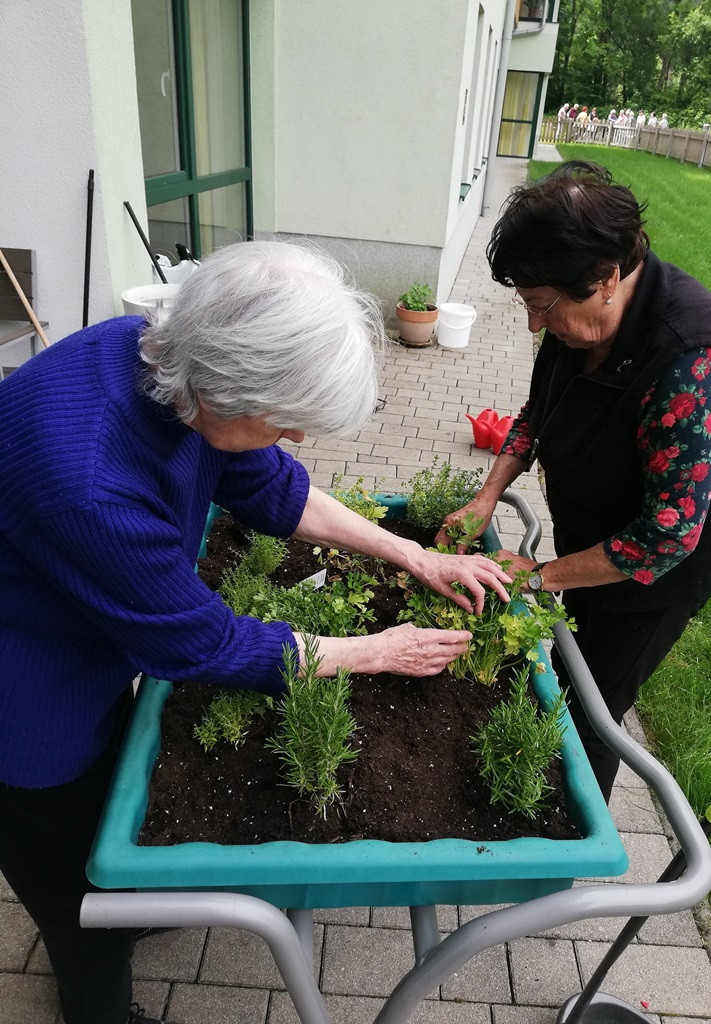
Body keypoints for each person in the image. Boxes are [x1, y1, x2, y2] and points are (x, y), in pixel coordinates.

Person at [0, 241, 513, 1024]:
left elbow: (273, 489)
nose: (298, 438)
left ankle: (135, 904)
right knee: (78, 894)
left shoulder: (162, 361)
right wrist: (380, 652)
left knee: (106, 812)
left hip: (78, 633)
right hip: (24, 701)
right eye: (287, 421)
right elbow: (205, 646)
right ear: (228, 393)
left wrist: (413, 555)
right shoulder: (91, 482)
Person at [437, 161, 711, 802]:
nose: (534, 325)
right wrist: (485, 499)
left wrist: (538, 576)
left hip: (657, 579)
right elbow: (536, 415)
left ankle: (572, 836)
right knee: (568, 664)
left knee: (594, 711)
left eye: (541, 306)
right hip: (596, 540)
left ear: (606, 278)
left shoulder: (690, 359)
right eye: (528, 304)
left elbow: (666, 536)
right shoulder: (580, 316)